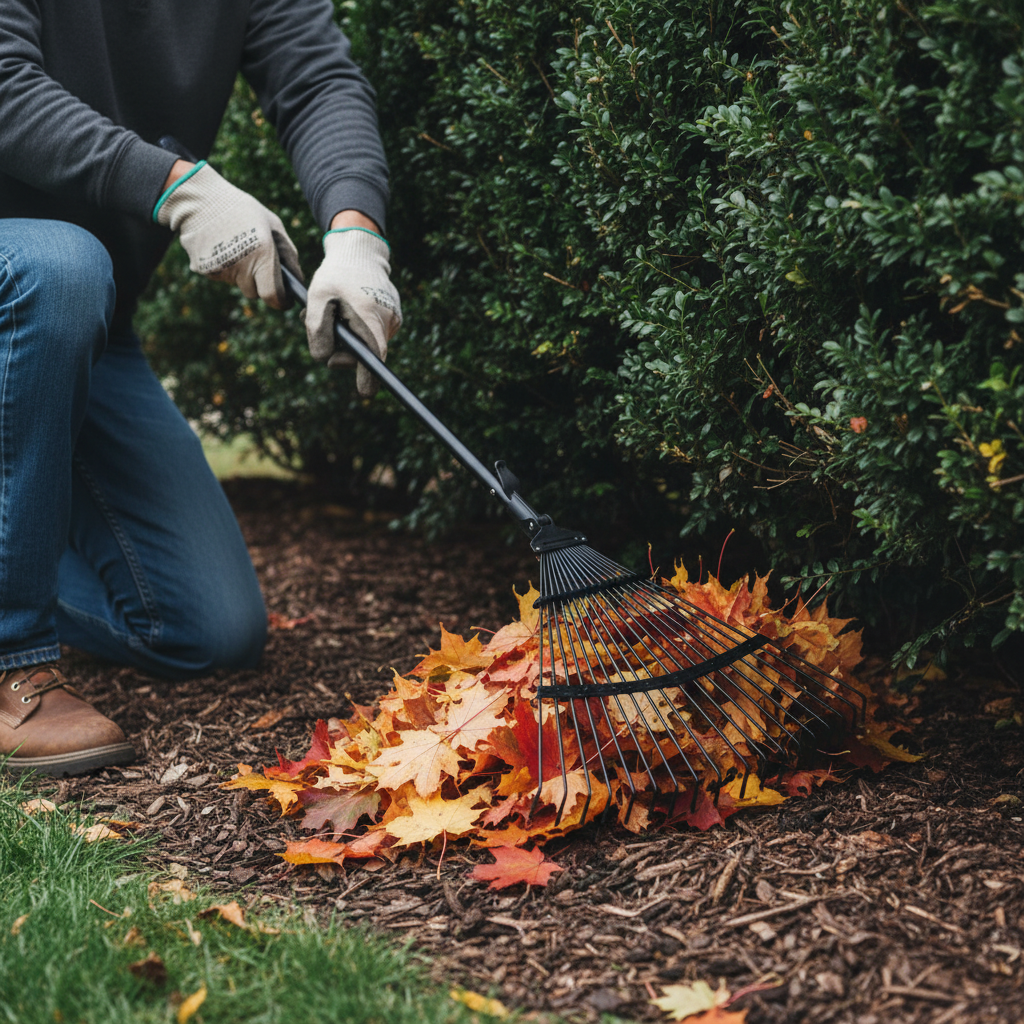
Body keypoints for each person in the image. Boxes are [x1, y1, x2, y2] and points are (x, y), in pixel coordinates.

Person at [0, 0, 401, 775]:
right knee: (60, 266)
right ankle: (8, 658)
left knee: (201, 626)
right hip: (41, 283)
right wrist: (176, 186)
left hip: (81, 321)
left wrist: (357, 233)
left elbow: (317, 79)